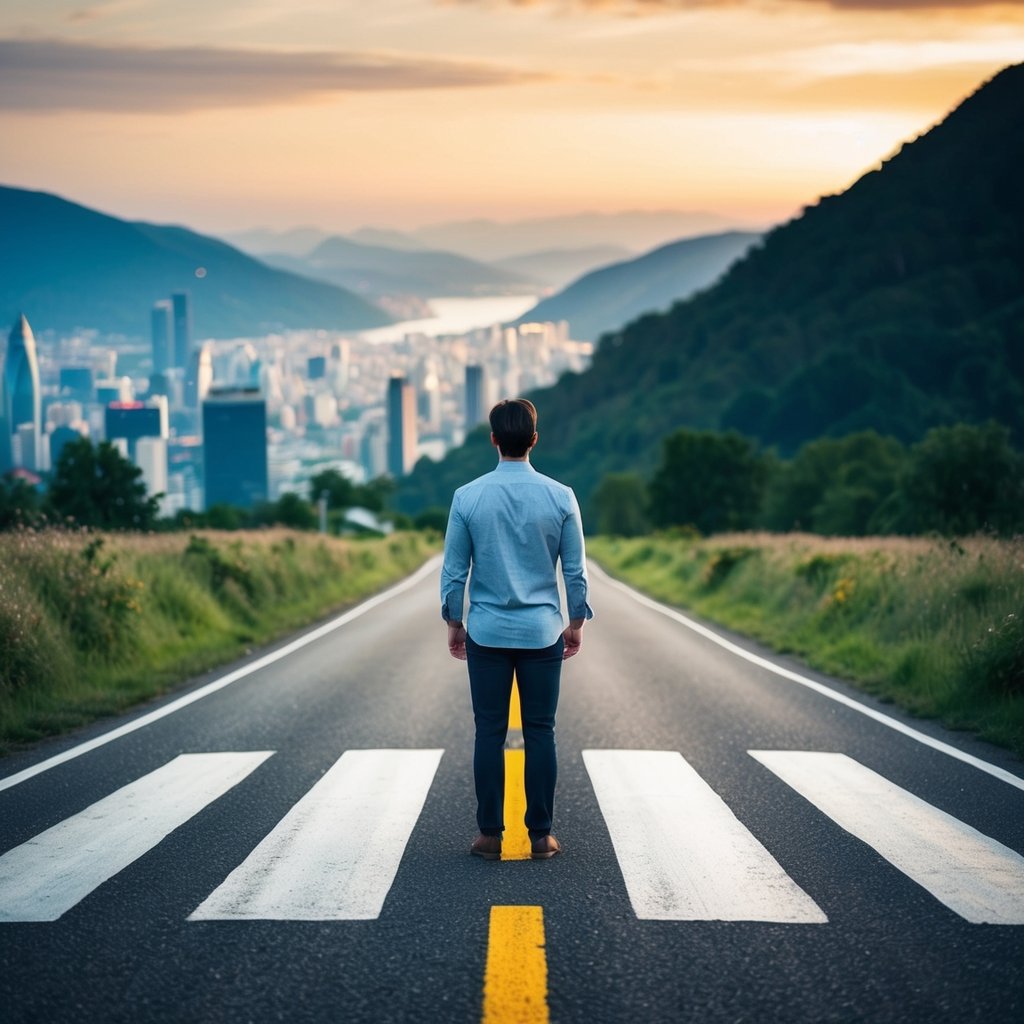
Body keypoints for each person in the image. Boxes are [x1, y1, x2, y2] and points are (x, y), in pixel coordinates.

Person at [440, 398, 593, 861]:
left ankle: (490, 835)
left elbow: (453, 573)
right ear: (533, 439)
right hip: (542, 632)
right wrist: (576, 622)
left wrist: (454, 623)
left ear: (493, 440)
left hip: (486, 631)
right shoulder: (561, 496)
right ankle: (541, 836)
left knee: (488, 731)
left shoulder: (467, 497)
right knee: (540, 731)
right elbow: (576, 572)